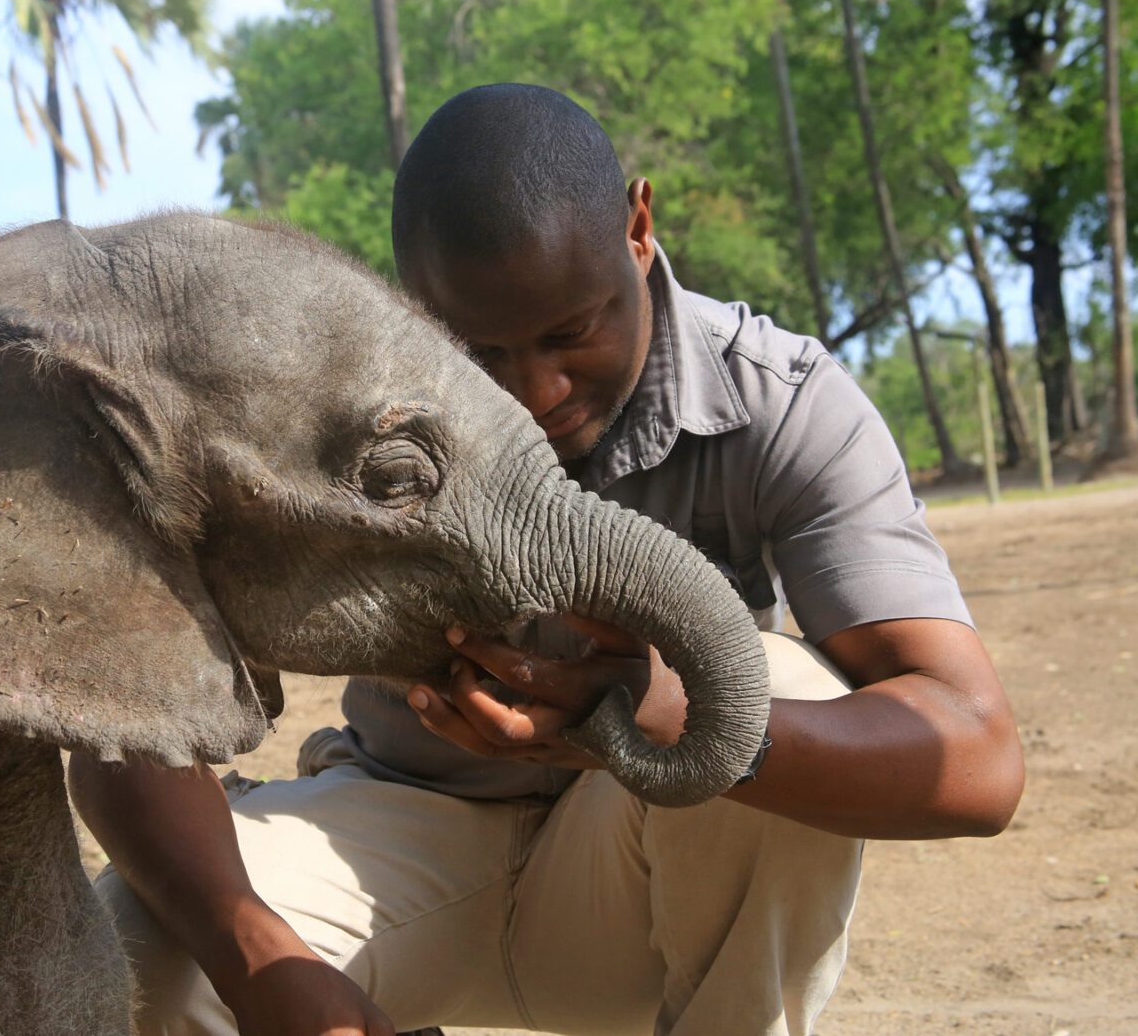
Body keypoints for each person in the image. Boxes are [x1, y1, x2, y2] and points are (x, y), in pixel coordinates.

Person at [70, 83, 1024, 1036]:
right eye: (478, 350)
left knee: (765, 684)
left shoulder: (780, 404)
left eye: (571, 331)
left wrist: (674, 719)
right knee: (143, 959)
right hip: (405, 830)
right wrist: (259, 961)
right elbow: (129, 738)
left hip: (646, 885)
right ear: (409, 304)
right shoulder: (334, 415)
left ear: (638, 227)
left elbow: (978, 759)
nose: (535, 389)